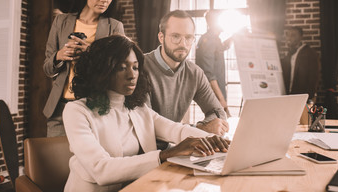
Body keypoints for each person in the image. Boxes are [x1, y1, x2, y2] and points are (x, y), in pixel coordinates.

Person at [63, 35, 229, 191]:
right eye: (122, 67)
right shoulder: (76, 111)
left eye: (135, 67)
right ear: (101, 71)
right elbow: (101, 169)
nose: (132, 75)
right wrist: (166, 154)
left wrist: (213, 141)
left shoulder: (138, 109)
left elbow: (175, 130)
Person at [43, 0, 124, 137]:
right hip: (59, 110)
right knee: (57, 163)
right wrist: (59, 56)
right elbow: (47, 68)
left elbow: (119, 71)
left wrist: (90, 52)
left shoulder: (115, 27)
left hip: (93, 109)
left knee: (88, 163)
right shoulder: (61, 21)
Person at [144, 10, 229, 146]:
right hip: (145, 153)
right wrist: (200, 129)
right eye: (175, 36)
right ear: (161, 37)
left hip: (175, 149)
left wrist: (209, 126)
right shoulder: (139, 68)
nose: (183, 44)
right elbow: (146, 123)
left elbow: (217, 112)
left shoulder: (194, 73)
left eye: (189, 38)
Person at [196, 10, 232, 114]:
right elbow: (208, 73)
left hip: (218, 93)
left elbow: (221, 48)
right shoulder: (209, 40)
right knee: (219, 126)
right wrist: (221, 99)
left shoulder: (215, 39)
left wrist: (234, 37)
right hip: (214, 95)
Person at [281, 26, 320, 100]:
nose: (289, 38)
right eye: (288, 35)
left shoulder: (310, 53)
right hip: (288, 96)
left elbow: (314, 78)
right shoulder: (288, 54)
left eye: (293, 35)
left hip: (302, 97)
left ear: (301, 37)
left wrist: (308, 97)